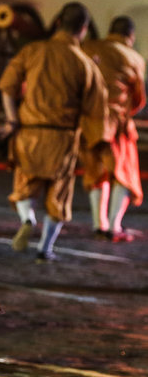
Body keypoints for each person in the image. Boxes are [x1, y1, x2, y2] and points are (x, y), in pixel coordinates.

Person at [0, 2, 111, 261]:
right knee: (58, 197)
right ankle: (44, 249)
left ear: (58, 23)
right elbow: (96, 111)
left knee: (24, 186)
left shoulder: (34, 50)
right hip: (63, 138)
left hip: (29, 133)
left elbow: (6, 86)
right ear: (83, 30)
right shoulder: (85, 64)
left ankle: (27, 219)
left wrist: (11, 119)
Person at [81, 15, 146, 241]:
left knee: (95, 172)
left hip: (88, 121)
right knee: (123, 175)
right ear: (131, 36)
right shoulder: (134, 57)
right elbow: (138, 99)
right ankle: (114, 226)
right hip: (116, 124)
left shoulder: (88, 47)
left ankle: (99, 224)